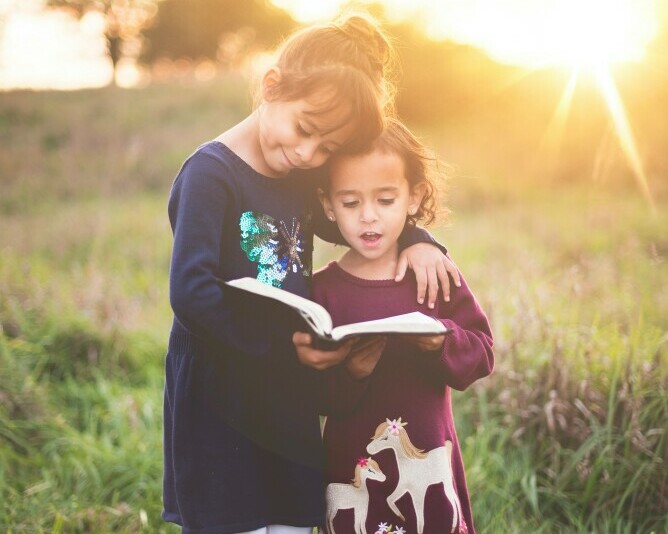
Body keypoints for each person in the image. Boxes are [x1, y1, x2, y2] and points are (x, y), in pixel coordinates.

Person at [163, 14, 460, 534]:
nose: (308, 154)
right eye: (305, 130)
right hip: (220, 394)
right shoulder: (211, 175)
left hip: (286, 392)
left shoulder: (298, 177)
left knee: (292, 519)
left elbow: (360, 222)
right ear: (271, 85)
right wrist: (283, 346)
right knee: (233, 521)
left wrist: (418, 239)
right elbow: (190, 292)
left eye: (326, 148)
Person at [314, 118, 494, 534]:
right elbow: (310, 393)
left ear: (413, 197)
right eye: (351, 203)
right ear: (328, 205)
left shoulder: (433, 274)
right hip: (350, 463)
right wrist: (352, 372)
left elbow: (483, 352)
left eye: (385, 199)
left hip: (427, 458)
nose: (369, 217)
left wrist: (441, 342)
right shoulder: (321, 291)